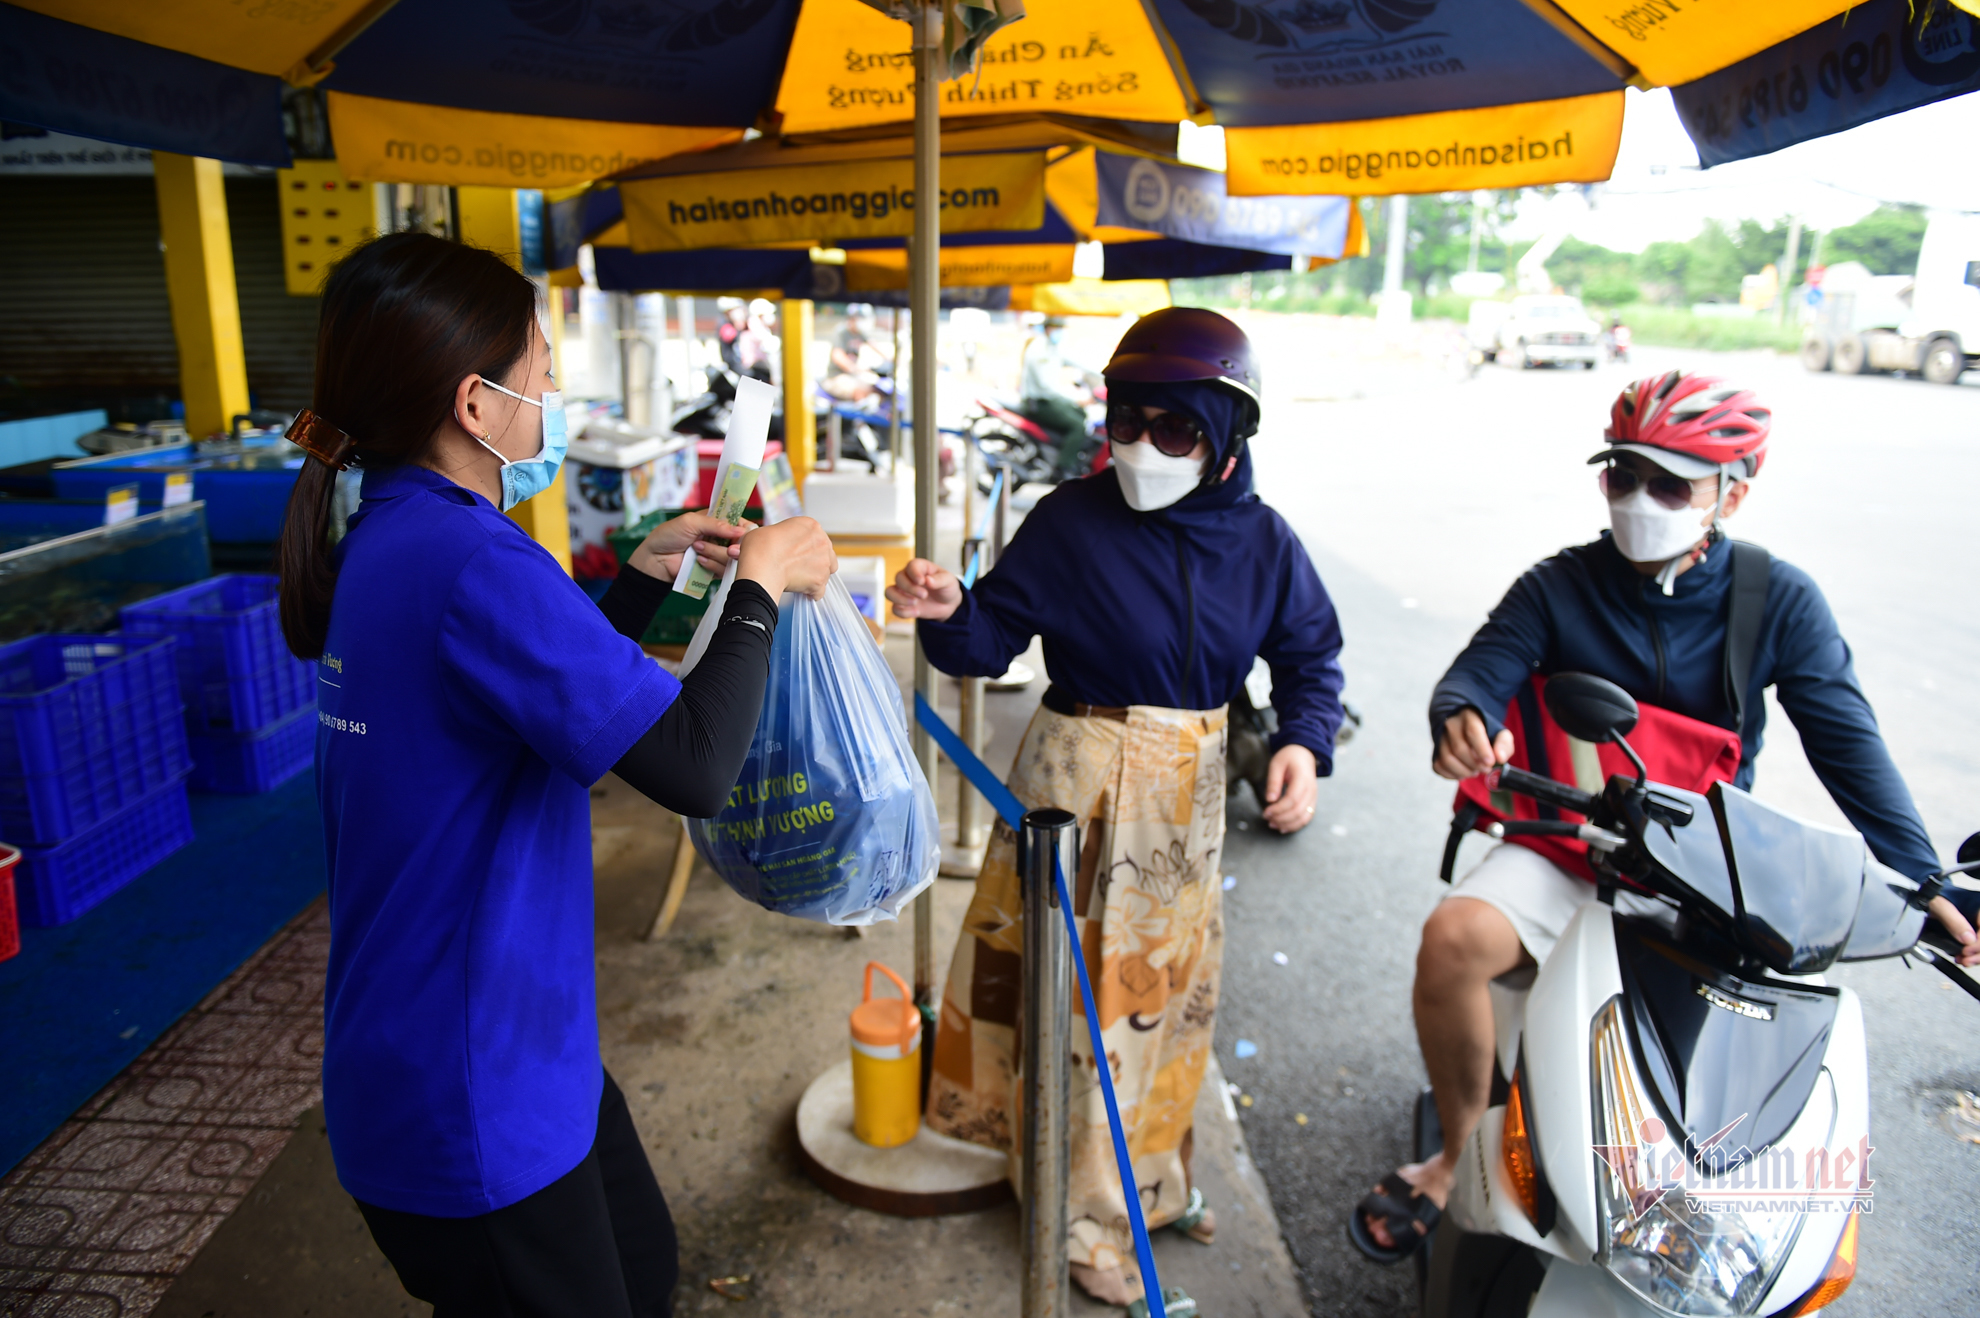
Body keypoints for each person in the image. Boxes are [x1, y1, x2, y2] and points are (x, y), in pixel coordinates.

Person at [276, 232, 835, 1317]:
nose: (553, 390)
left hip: (492, 1045)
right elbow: (690, 765)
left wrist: (636, 580)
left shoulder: (394, 532)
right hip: (470, 1096)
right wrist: (759, 587)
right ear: (473, 406)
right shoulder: (472, 559)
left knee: (645, 1268)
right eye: (538, 367)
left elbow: (520, 705)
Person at [1351, 369, 1980, 1263]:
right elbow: (1485, 666)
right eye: (1622, 475)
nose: (1641, 500)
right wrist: (1462, 714)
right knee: (1452, 940)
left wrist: (1925, 877)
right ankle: (1458, 1152)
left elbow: (1847, 742)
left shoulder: (1778, 600)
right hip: (1570, 846)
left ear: (1734, 493)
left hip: (1702, 870)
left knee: (1718, 1057)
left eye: (1671, 483)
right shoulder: (1558, 585)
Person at [887, 307, 1346, 1308]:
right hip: (1078, 777)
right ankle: (1083, 1217)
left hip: (1189, 791)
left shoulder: (1264, 543)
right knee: (1081, 1007)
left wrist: (1306, 745)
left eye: (1174, 429)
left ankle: (1151, 1178)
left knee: (1171, 1001)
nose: (1143, 448)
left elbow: (1311, 655)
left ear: (1226, 437)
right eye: (1125, 422)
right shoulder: (1068, 520)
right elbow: (986, 644)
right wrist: (948, 610)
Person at [1017, 315, 1101, 478]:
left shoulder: (1053, 347)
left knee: (1081, 414)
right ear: (1048, 329)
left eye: (1061, 329)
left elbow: (1078, 362)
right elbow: (1046, 385)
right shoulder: (1038, 350)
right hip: (1038, 404)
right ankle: (1062, 468)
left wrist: (1103, 373)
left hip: (1049, 400)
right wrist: (1076, 398)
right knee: (1077, 426)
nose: (1059, 333)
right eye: (1057, 329)